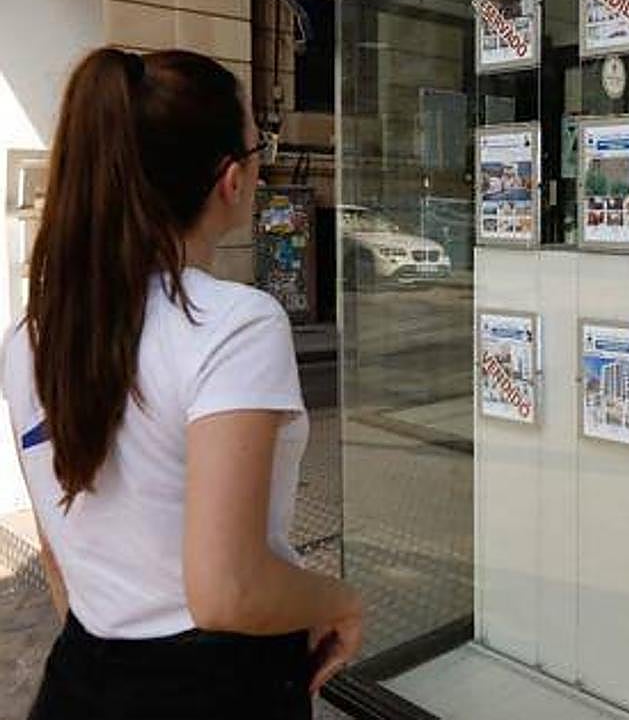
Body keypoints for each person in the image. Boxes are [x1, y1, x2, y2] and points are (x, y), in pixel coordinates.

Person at [2, 48, 361, 719]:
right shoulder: (235, 326)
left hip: (79, 678)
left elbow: (60, 558)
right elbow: (228, 592)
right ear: (232, 178)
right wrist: (338, 600)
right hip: (214, 687)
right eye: (261, 143)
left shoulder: (31, 336)